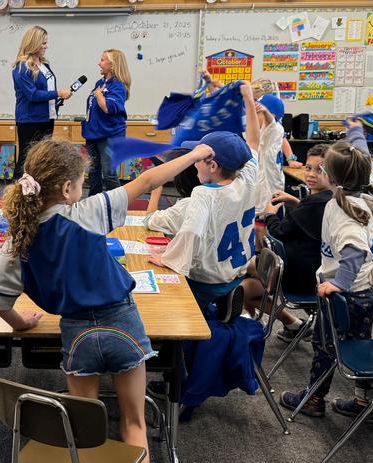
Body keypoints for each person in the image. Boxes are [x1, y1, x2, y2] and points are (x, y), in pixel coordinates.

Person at [0, 137, 214, 463]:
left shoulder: (21, 234)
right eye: (83, 182)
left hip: (77, 336)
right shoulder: (86, 215)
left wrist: (21, 323)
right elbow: (148, 179)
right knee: (133, 422)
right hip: (122, 324)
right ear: (69, 189)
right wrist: (196, 154)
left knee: (80, 432)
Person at [280, 140, 373, 422]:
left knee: (326, 344)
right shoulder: (369, 192)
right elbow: (359, 155)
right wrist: (355, 132)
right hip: (370, 286)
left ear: (333, 177)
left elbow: (353, 251)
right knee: (359, 341)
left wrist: (338, 284)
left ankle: (313, 399)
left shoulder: (343, 211)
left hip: (347, 291)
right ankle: (365, 403)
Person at [145, 82, 261, 311]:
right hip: (234, 275)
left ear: (213, 165)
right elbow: (254, 142)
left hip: (207, 283)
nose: (194, 163)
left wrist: (169, 259)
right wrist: (248, 99)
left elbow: (191, 232)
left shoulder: (203, 194)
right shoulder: (246, 176)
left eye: (198, 158)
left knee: (157, 295)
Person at [242, 144, 332, 342]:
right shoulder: (327, 200)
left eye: (320, 170)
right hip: (314, 270)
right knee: (245, 282)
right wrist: (294, 201)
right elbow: (309, 217)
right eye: (308, 168)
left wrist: (268, 214)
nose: (311, 174)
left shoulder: (314, 204)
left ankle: (250, 326)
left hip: (298, 276)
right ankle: (293, 325)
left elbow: (277, 231)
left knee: (241, 279)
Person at [11, 26, 72, 178]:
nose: (46, 46)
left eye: (46, 43)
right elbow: (32, 95)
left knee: (41, 159)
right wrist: (58, 93)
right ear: (33, 43)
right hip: (30, 120)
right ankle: (16, 195)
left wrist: (58, 99)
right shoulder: (22, 67)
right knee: (27, 159)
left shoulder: (44, 65)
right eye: (43, 43)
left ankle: (35, 194)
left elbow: (46, 90)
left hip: (47, 118)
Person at [82, 49, 131, 196]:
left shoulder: (118, 86)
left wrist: (98, 95)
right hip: (93, 134)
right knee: (93, 171)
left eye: (103, 60)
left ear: (113, 65)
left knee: (109, 173)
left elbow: (108, 108)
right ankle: (94, 203)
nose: (99, 63)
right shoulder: (100, 83)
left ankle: (117, 205)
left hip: (109, 135)